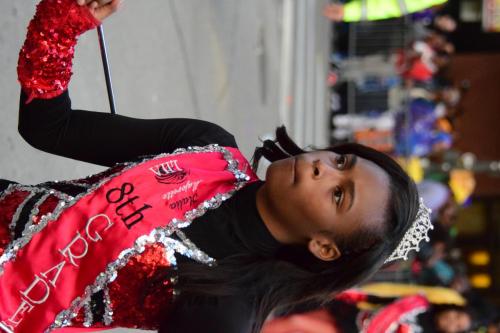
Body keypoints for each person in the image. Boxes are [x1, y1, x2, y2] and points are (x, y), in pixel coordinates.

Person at [0, 0, 428, 332]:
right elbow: (50, 127)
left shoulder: (228, 306)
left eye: (339, 194)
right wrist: (63, 25)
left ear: (324, 247)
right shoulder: (207, 147)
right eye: (341, 161)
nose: (323, 168)